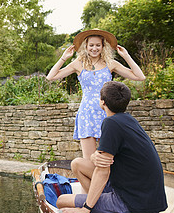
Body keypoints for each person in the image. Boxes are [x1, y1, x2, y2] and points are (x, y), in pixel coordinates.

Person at [56, 81, 168, 213]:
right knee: (78, 164)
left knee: (61, 201)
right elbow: (105, 158)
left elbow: (103, 171)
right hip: (144, 201)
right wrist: (96, 156)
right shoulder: (128, 120)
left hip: (133, 205)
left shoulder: (111, 123)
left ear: (102, 102)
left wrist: (86, 208)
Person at [46, 29, 145, 159]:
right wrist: (64, 58)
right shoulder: (78, 64)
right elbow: (51, 77)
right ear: (86, 46)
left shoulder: (110, 63)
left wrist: (126, 56)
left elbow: (140, 76)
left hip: (107, 113)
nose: (94, 48)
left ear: (103, 47)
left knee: (108, 158)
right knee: (89, 160)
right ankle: (91, 180)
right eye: (91, 45)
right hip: (87, 114)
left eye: (98, 45)